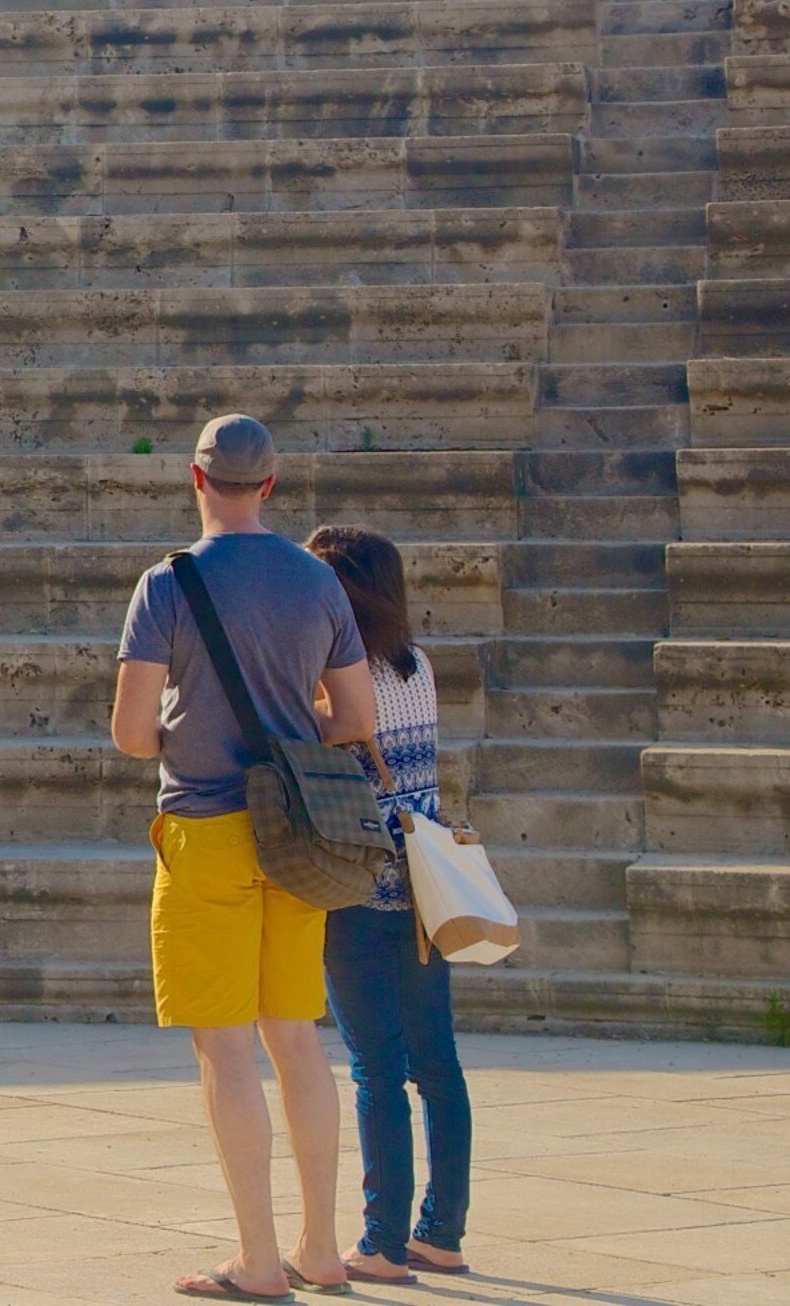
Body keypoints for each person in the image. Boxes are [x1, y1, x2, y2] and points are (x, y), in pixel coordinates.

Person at [114, 415, 377, 1302]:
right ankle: (323, 1246)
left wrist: (186, 731)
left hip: (205, 827)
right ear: (270, 486)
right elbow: (354, 720)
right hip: (298, 834)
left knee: (226, 1052)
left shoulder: (168, 584)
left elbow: (129, 732)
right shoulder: (317, 581)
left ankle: (259, 1261)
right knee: (297, 1040)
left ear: (196, 478)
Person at [305, 525, 473, 1285]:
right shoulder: (419, 667)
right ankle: (442, 1232)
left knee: (376, 1067)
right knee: (436, 1064)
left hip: (360, 884)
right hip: (424, 888)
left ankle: (381, 1242)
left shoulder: (333, 678)